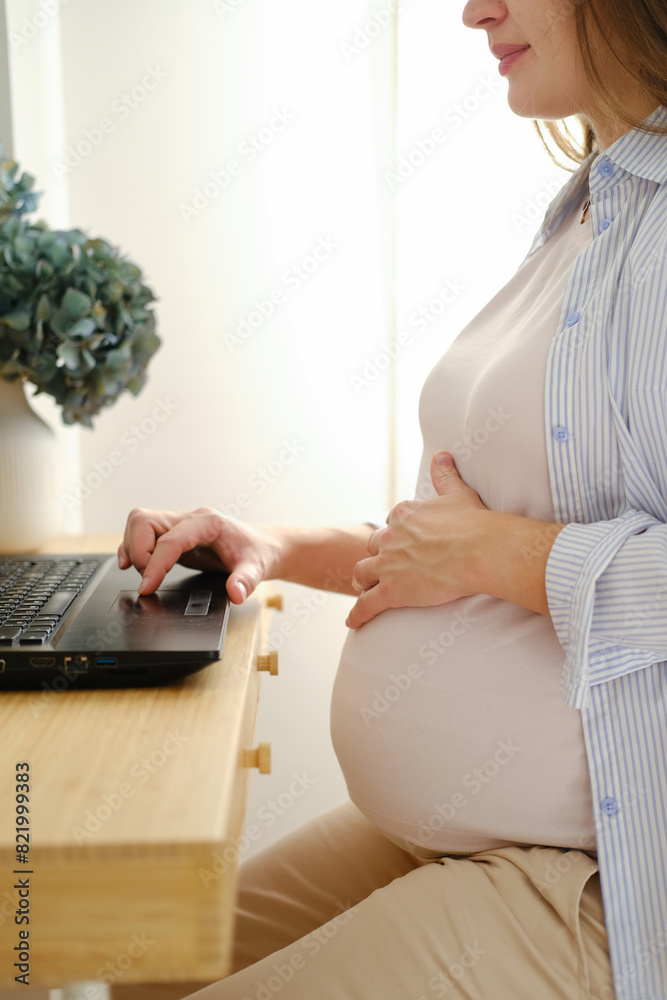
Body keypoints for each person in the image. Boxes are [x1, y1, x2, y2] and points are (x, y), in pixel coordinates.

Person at [118, 0, 667, 996]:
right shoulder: (595, 205)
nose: (473, 10)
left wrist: (494, 555)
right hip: (467, 834)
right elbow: (461, 541)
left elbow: (494, 552)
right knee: (141, 955)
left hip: (606, 885)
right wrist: (273, 544)